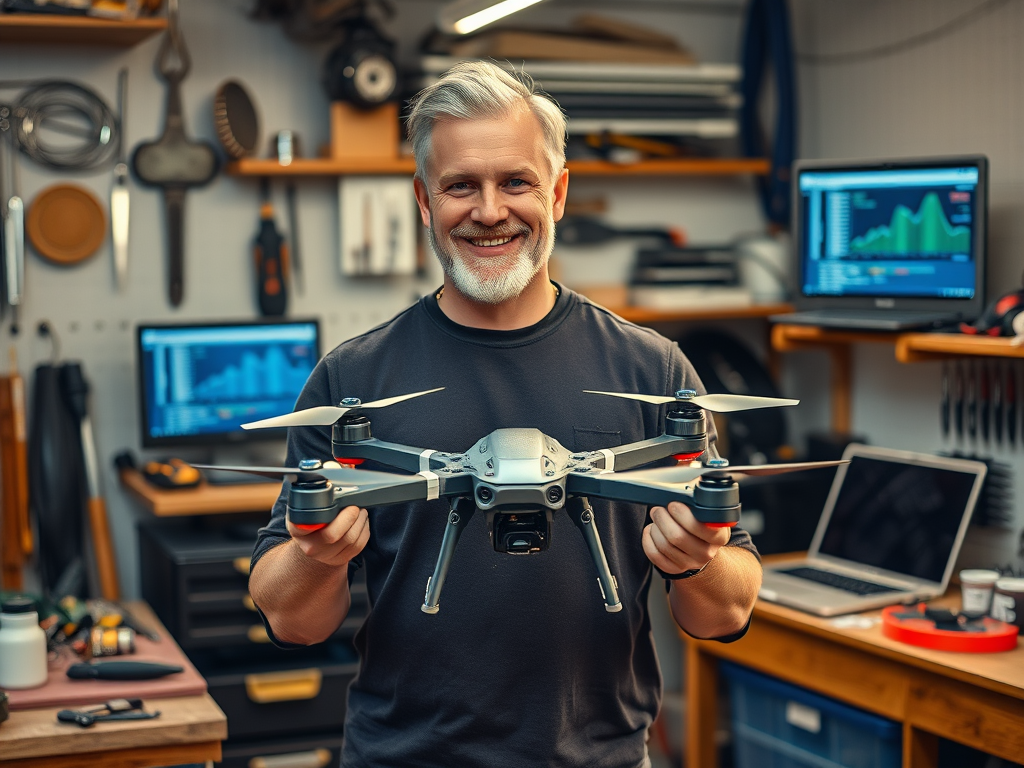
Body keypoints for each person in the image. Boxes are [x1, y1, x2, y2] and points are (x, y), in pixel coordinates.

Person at [250, 60, 762, 768]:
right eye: (461, 185)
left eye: (515, 181)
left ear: (556, 194)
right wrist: (315, 557)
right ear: (425, 203)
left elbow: (726, 613)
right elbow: (290, 620)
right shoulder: (354, 380)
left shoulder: (653, 373)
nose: (489, 211)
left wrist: (701, 559)